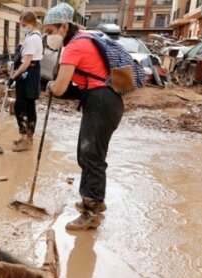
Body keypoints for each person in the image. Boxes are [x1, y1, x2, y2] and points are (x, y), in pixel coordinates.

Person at [43, 3, 123, 230]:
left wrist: (50, 85)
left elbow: (59, 88)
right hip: (106, 101)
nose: (48, 36)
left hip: (100, 102)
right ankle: (95, 199)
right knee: (90, 153)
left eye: (50, 31)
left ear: (64, 26)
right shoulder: (85, 38)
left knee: (90, 156)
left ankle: (91, 213)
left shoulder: (74, 47)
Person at [9, 11, 43, 152]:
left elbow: (27, 63)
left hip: (29, 73)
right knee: (23, 106)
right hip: (28, 73)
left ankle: (27, 140)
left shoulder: (33, 38)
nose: (21, 26)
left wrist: (14, 76)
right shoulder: (31, 36)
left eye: (21, 24)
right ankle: (25, 138)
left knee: (25, 107)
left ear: (27, 22)